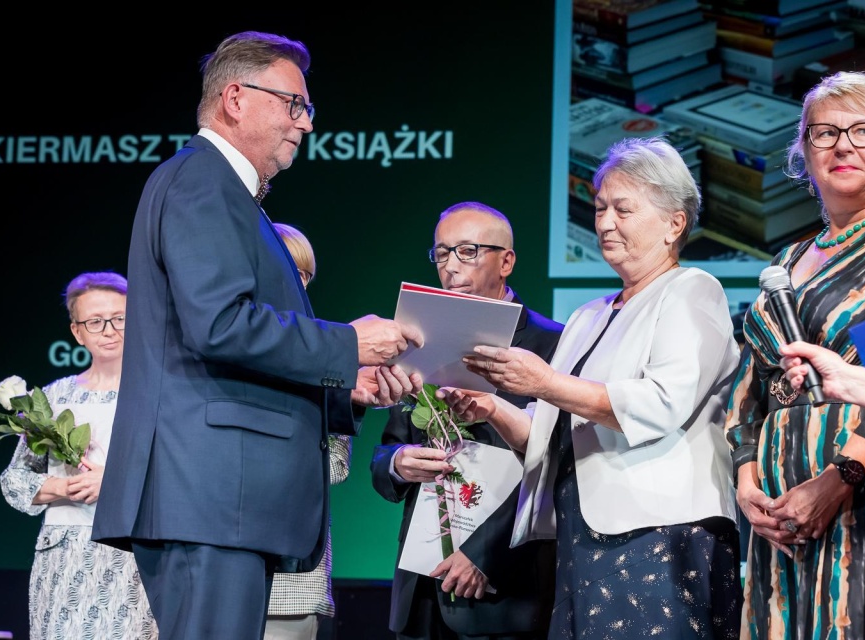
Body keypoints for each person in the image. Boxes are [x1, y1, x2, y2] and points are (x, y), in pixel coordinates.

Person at [90, 31, 422, 640]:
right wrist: (347, 346)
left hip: (224, 499)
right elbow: (218, 325)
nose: (305, 124)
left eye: (307, 108)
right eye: (292, 104)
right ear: (235, 98)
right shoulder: (203, 181)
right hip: (211, 495)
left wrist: (346, 387)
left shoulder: (230, 194)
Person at [440, 138, 744, 639]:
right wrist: (491, 405)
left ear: (674, 224)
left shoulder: (692, 290)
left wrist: (545, 382)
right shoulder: (587, 316)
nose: (604, 222)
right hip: (581, 535)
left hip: (661, 533)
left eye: (623, 209)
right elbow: (549, 437)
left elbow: (662, 404)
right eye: (600, 207)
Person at [725, 70, 865, 639]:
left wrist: (838, 479)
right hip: (775, 515)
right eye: (824, 133)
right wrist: (748, 486)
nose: (843, 145)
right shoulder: (786, 260)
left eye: (864, 131)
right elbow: (748, 390)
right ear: (804, 153)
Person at [371, 202, 563, 640]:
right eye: (442, 254)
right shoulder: (416, 337)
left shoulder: (553, 344)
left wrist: (483, 554)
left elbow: (556, 466)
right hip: (422, 592)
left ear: (506, 261)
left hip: (504, 592)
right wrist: (398, 463)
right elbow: (383, 461)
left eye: (468, 251)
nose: (451, 267)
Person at [0, 272, 158, 640]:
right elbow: (15, 481)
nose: (109, 330)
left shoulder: (159, 396)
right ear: (77, 332)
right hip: (63, 559)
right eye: (95, 321)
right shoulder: (54, 397)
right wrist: (65, 486)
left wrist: (116, 481)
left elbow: (183, 477)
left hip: (131, 557)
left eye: (120, 318)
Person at [265, 223, 350, 640]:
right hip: (214, 569)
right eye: (284, 267)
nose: (295, 283)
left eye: (304, 274)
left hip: (291, 580)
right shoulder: (212, 348)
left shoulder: (328, 356)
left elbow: (335, 466)